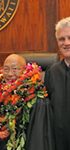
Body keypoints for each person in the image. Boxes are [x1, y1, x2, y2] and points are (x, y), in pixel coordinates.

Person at [0, 54, 54, 150]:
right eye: (6, 69)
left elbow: (38, 139)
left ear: (25, 70)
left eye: (15, 69)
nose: (10, 74)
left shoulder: (37, 100)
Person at [44, 17, 70, 150]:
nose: (66, 43)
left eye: (69, 38)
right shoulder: (52, 71)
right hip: (58, 141)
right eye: (61, 39)